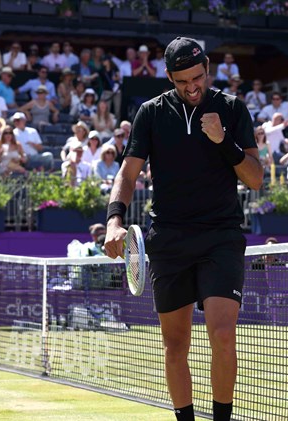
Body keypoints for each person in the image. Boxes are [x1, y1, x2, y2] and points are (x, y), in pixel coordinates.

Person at [104, 36, 262, 421]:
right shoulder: (151, 113)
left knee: (223, 334)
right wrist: (114, 220)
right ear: (169, 78)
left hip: (220, 236)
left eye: (197, 77)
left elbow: (256, 178)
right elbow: (128, 171)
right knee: (175, 346)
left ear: (208, 68)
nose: (192, 87)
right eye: (181, 81)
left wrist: (224, 141)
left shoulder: (232, 108)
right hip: (169, 239)